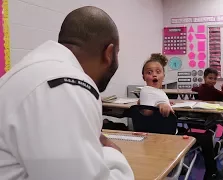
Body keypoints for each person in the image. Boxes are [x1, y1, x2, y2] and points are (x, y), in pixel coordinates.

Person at [0, 6, 134, 180]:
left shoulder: (29, 72)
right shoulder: (67, 85)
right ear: (109, 53)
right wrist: (111, 152)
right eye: (117, 53)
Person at [139, 53, 223, 180]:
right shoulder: (153, 92)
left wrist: (165, 103)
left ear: (163, 75)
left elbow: (148, 104)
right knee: (206, 137)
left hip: (151, 136)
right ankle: (212, 173)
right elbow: (148, 111)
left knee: (185, 130)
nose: (154, 75)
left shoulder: (146, 91)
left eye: (158, 72)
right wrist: (163, 104)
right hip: (167, 138)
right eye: (149, 72)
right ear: (144, 76)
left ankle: (180, 164)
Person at [191, 67, 223, 153]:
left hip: (201, 117)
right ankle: (221, 141)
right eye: (210, 78)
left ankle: (208, 139)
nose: (213, 81)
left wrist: (196, 88)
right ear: (204, 78)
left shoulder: (200, 88)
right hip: (212, 116)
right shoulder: (214, 90)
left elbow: (193, 89)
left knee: (213, 126)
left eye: (215, 79)